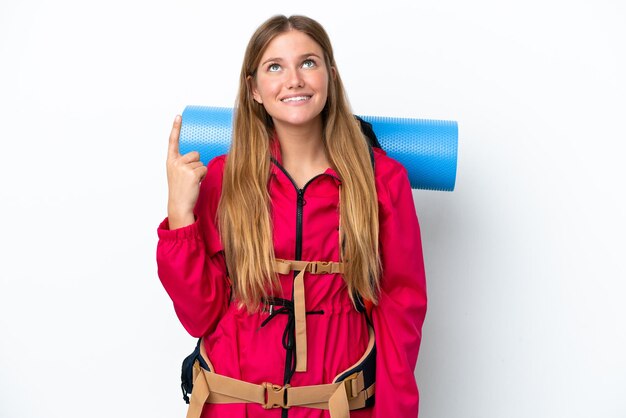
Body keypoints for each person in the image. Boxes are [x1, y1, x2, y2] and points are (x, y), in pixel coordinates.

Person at [157, 14, 427, 418]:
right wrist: (180, 216)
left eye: (308, 62)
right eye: (274, 67)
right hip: (234, 405)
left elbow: (400, 317)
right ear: (254, 89)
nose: (294, 79)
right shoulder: (223, 179)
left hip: (333, 407)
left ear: (330, 77)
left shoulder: (382, 181)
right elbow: (200, 316)